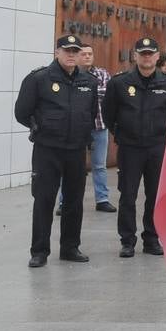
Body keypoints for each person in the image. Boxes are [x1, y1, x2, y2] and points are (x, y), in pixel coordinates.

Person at [16, 35, 101, 267]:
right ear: (57, 52)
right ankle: (40, 251)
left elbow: (91, 112)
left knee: (74, 201)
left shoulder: (89, 82)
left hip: (75, 150)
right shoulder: (39, 79)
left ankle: (70, 248)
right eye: (67, 50)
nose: (71, 54)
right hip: (48, 150)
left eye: (75, 50)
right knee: (44, 200)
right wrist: (41, 128)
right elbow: (22, 112)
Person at [103, 37, 166, 257]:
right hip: (130, 149)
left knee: (155, 195)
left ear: (157, 57)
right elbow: (109, 114)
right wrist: (121, 134)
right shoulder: (119, 83)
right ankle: (127, 241)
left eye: (150, 53)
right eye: (142, 53)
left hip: (157, 148)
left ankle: (152, 238)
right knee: (127, 195)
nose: (147, 57)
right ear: (135, 56)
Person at [57, 46, 114, 215]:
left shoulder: (102, 74)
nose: (88, 57)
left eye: (90, 54)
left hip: (99, 127)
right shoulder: (69, 74)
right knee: (68, 166)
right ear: (77, 56)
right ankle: (63, 202)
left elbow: (108, 94)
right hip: (76, 129)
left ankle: (102, 200)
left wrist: (84, 90)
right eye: (84, 54)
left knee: (99, 165)